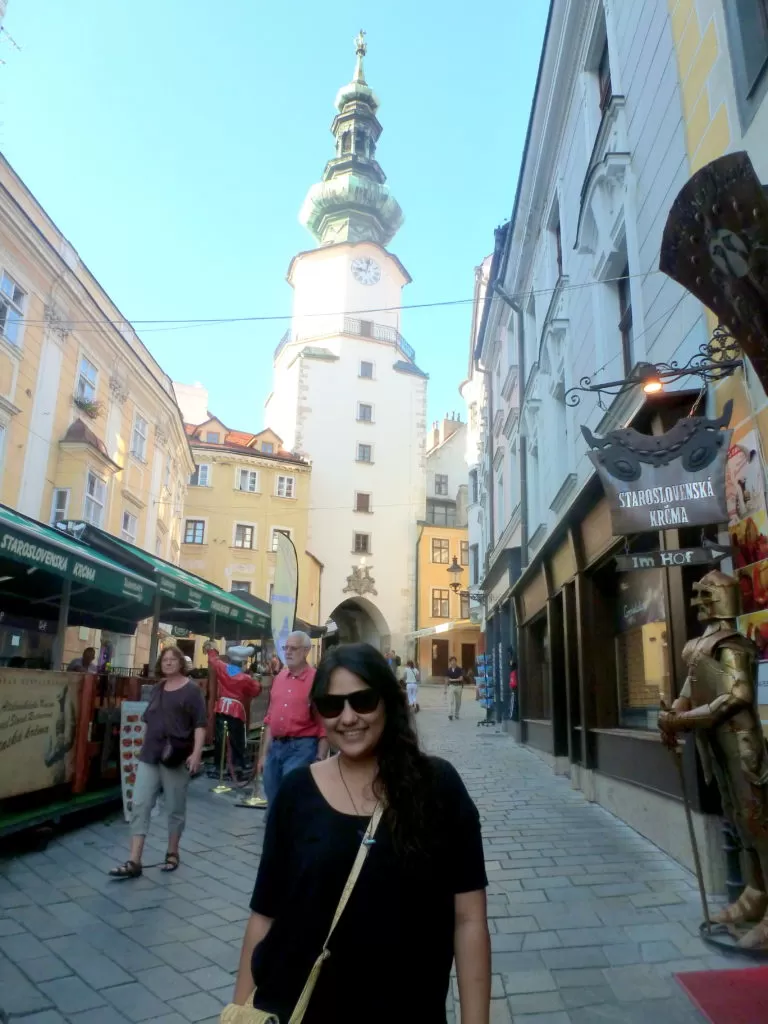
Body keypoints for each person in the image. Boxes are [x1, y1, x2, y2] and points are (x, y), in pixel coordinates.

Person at [230, 642, 490, 1023]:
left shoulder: (438, 787)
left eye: (363, 700)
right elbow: (265, 914)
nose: (348, 717)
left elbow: (469, 919)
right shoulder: (297, 791)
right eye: (333, 706)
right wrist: (239, 1014)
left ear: (387, 700)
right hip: (299, 1007)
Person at [109, 646, 206, 878]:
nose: (169, 663)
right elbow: (148, 720)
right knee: (140, 803)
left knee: (174, 807)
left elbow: (200, 724)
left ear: (181, 663)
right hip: (150, 754)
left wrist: (197, 753)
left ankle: (172, 852)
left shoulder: (192, 690)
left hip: (175, 756)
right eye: (165, 660)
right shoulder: (156, 689)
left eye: (173, 659)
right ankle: (134, 860)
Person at [259, 631, 329, 806]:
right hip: (275, 747)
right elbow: (270, 719)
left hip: (302, 747)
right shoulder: (280, 678)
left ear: (306, 651)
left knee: (291, 797)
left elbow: (324, 723)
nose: (288, 652)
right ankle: (275, 830)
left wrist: (320, 758)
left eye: (293, 648)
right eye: (286, 648)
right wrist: (263, 755)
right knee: (272, 797)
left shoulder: (317, 680)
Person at [208, 646, 262, 779]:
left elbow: (213, 659)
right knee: (237, 739)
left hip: (221, 707)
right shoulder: (246, 678)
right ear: (243, 662)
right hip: (236, 710)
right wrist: (257, 680)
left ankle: (218, 765)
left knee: (220, 739)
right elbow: (255, 691)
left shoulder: (222, 667)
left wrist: (212, 649)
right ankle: (238, 765)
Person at [446, 656, 465, 721]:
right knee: (450, 701)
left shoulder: (460, 669)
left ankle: (456, 714)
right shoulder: (448, 670)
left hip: (459, 686)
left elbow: (461, 678)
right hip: (451, 686)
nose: (453, 662)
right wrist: (445, 689)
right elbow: (447, 679)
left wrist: (452, 679)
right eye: (452, 661)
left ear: (456, 662)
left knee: (458, 702)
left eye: (454, 661)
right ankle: (450, 714)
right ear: (450, 662)